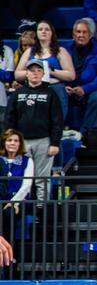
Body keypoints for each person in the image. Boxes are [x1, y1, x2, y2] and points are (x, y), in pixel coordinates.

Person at [5, 58, 62, 201]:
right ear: (27, 74)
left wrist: (55, 143)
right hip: (21, 141)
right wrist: (10, 141)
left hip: (44, 141)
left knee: (42, 178)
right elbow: (9, 118)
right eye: (31, 70)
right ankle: (20, 206)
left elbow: (57, 120)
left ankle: (42, 208)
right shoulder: (17, 94)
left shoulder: (51, 93)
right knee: (21, 176)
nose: (35, 73)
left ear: (43, 74)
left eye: (38, 70)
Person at [62, 19, 97, 144]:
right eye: (78, 32)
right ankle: (58, 132)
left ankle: (83, 134)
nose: (81, 35)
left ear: (90, 35)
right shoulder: (64, 50)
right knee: (55, 92)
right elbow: (56, 70)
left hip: (89, 91)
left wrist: (85, 89)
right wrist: (63, 87)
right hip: (67, 90)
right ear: (73, 35)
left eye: (84, 32)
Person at [2, 129, 35, 206]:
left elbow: (26, 186)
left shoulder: (28, 161)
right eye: (9, 140)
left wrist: (13, 203)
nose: (12, 143)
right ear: (4, 143)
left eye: (16, 141)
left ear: (20, 144)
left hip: (19, 202)